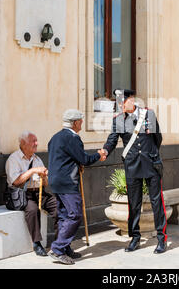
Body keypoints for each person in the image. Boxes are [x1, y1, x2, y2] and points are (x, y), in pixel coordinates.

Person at [100, 89, 168, 254]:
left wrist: (150, 154)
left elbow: (157, 138)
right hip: (132, 166)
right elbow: (112, 140)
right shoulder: (118, 121)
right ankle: (135, 238)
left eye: (123, 101)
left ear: (131, 100)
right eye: (119, 103)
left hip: (151, 165)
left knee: (156, 202)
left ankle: (161, 238)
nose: (121, 105)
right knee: (134, 204)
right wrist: (105, 151)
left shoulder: (148, 115)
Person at [47, 109, 107, 265]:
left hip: (55, 181)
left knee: (63, 215)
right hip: (67, 182)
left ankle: (65, 248)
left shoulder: (55, 137)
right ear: (75, 123)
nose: (82, 123)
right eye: (80, 120)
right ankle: (58, 249)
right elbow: (84, 159)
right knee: (75, 214)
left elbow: (65, 158)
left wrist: (76, 164)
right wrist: (98, 155)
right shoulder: (73, 138)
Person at [5, 131, 58, 257]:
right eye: (33, 141)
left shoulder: (37, 159)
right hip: (21, 194)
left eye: (36, 140)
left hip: (39, 192)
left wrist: (45, 177)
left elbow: (44, 184)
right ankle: (37, 243)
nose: (37, 143)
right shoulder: (14, 159)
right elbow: (16, 181)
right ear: (23, 144)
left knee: (58, 206)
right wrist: (33, 170)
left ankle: (60, 243)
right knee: (33, 210)